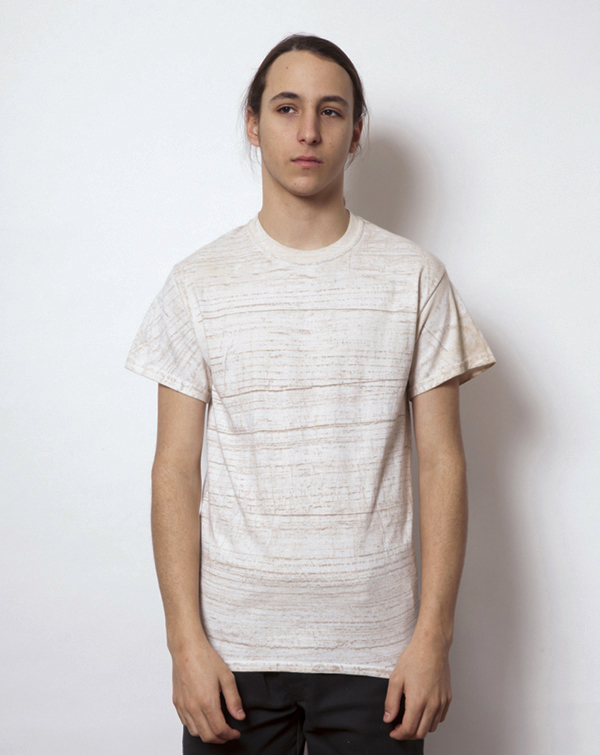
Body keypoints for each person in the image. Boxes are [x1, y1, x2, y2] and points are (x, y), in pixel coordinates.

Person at [125, 33, 496, 754]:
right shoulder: (198, 283)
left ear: (355, 133)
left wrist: (433, 638)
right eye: (286, 107)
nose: (307, 132)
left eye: (331, 111)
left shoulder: (415, 277)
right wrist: (184, 645)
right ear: (253, 123)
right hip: (232, 655)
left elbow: (442, 463)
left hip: (379, 656)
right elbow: (173, 471)